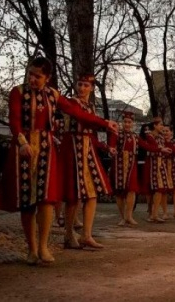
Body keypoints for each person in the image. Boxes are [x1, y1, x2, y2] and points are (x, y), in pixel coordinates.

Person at [0, 56, 117, 264]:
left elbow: (77, 113)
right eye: (31, 74)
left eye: (38, 76)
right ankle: (31, 249)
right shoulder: (18, 92)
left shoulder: (53, 94)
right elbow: (14, 120)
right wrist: (22, 142)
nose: (33, 79)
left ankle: (43, 247)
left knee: (47, 199)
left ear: (48, 78)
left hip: (46, 148)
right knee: (27, 202)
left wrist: (104, 122)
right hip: (24, 148)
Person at [60, 74, 116, 249]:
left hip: (87, 148)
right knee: (73, 194)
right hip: (73, 147)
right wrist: (105, 122)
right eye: (80, 84)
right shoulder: (72, 103)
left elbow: (91, 133)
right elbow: (83, 118)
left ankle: (86, 235)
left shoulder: (91, 106)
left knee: (92, 193)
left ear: (91, 88)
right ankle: (69, 234)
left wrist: (106, 147)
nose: (82, 88)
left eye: (86, 85)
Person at [108, 112, 169, 226]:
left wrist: (161, 150)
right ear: (122, 122)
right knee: (120, 192)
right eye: (125, 122)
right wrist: (111, 150)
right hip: (119, 165)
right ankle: (123, 217)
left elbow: (147, 146)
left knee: (131, 190)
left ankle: (129, 216)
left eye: (129, 122)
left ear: (133, 123)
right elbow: (111, 145)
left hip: (132, 165)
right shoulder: (116, 133)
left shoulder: (135, 136)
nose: (127, 124)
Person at [142, 117, 172, 223]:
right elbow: (154, 147)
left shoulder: (161, 137)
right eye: (160, 125)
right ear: (154, 125)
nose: (162, 127)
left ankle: (154, 213)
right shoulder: (149, 136)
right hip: (152, 164)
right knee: (154, 189)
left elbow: (163, 147)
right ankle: (152, 213)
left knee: (160, 189)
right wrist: (162, 149)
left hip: (161, 163)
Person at [160, 126, 175, 219]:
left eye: (167, 131)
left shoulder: (174, 142)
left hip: (173, 166)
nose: (165, 133)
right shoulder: (160, 141)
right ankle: (165, 212)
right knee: (164, 190)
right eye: (163, 131)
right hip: (162, 165)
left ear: (171, 132)